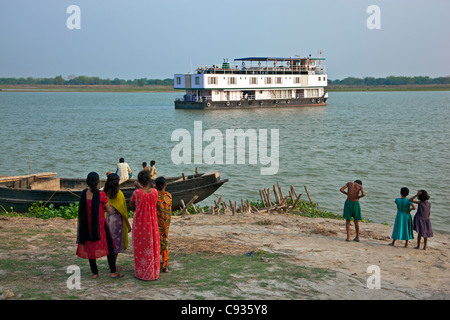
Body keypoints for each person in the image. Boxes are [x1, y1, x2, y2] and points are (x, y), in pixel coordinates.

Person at [76, 172, 124, 279]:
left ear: (87, 182)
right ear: (98, 182)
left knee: (90, 248)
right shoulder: (101, 195)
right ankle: (113, 272)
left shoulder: (83, 193)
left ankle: (95, 273)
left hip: (86, 225)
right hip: (100, 225)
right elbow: (107, 209)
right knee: (109, 247)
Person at [130, 170, 160, 280]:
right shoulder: (155, 192)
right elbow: (153, 202)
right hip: (152, 224)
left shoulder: (137, 193)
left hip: (140, 224)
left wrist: (137, 187)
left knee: (140, 248)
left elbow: (132, 204)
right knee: (152, 247)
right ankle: (153, 272)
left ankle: (142, 273)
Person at [104, 173, 132, 269]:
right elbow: (123, 212)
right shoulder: (119, 194)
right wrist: (128, 225)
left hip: (106, 221)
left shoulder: (104, 193)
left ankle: (110, 264)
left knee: (109, 244)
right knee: (115, 244)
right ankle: (113, 264)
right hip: (117, 223)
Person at [155, 177, 172, 273]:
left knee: (156, 242)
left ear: (155, 185)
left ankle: (156, 264)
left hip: (156, 222)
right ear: (165, 185)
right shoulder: (169, 195)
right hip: (166, 223)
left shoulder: (154, 195)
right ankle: (165, 266)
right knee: (164, 242)